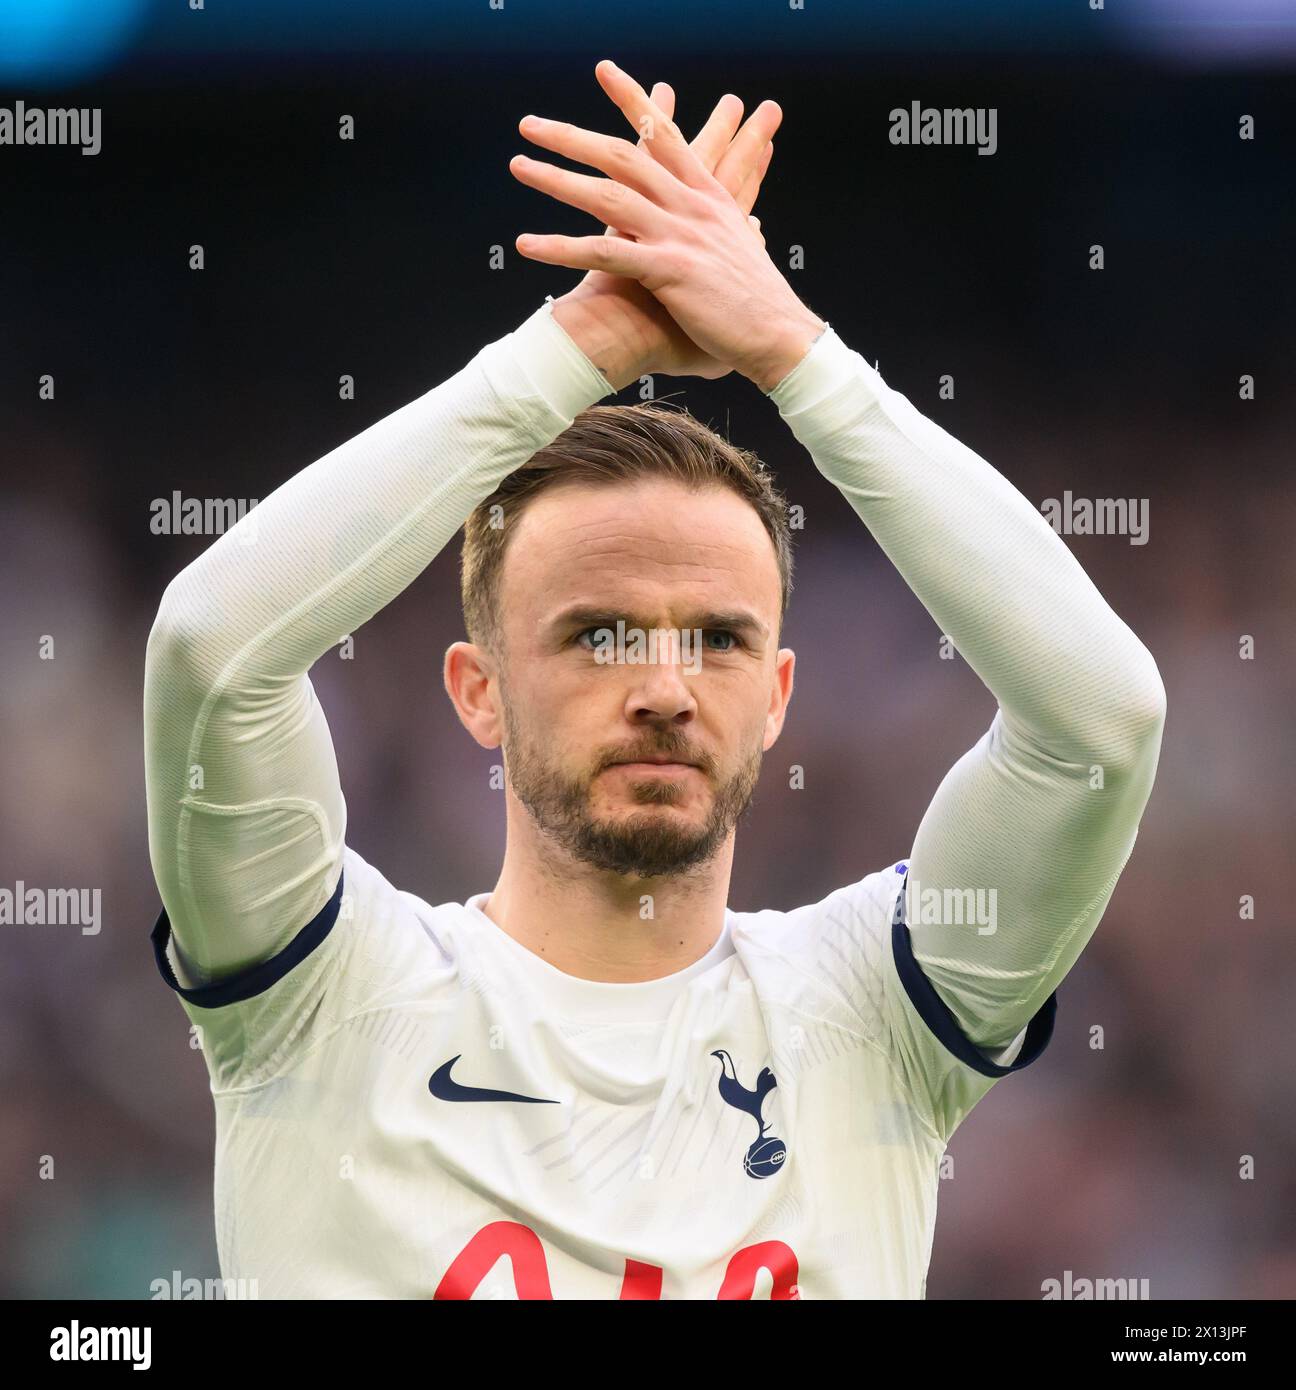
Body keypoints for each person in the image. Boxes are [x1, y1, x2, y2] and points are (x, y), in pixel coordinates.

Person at [144, 60, 1165, 1299]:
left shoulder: (874, 1016)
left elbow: (1101, 723)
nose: (666, 688)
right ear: (475, 689)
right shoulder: (322, 992)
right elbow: (212, 650)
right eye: (595, 634)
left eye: (721, 639)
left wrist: (797, 355)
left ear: (781, 691)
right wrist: (575, 347)